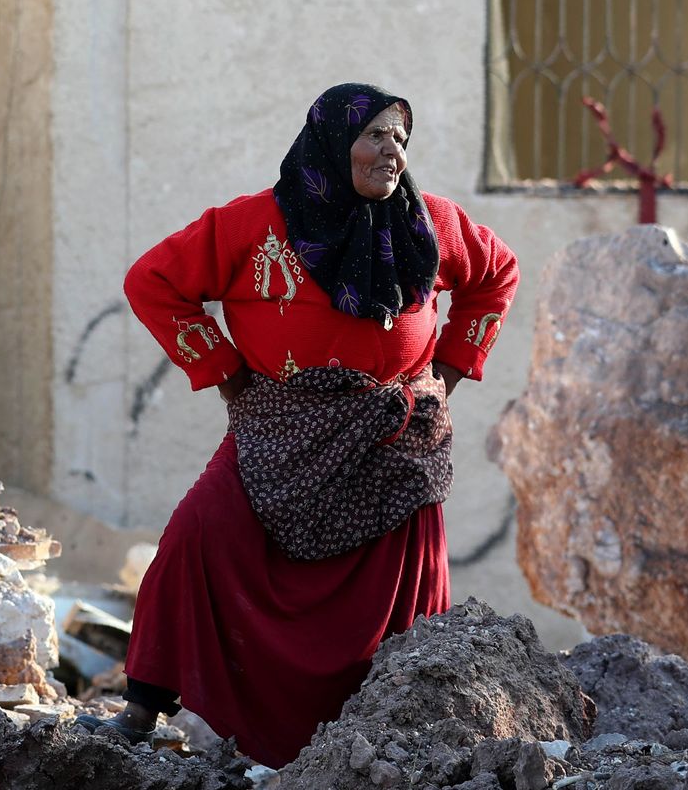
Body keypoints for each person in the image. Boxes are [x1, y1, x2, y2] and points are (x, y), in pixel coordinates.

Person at [103, 83, 519, 767]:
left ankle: (391, 736)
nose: (392, 151)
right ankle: (144, 705)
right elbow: (153, 281)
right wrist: (226, 374)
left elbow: (498, 273)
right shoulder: (252, 223)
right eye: (376, 135)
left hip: (392, 436)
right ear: (332, 140)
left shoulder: (433, 224)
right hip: (278, 423)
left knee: (398, 597)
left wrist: (445, 375)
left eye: (402, 140)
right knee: (198, 537)